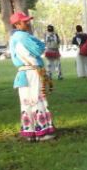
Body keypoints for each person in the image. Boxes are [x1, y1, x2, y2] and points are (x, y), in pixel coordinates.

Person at [9, 11, 56, 142]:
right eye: (25, 21)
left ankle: (30, 133)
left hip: (23, 73)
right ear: (17, 24)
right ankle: (43, 133)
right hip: (32, 72)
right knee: (37, 99)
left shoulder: (13, 38)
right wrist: (38, 42)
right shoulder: (23, 37)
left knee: (26, 102)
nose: (28, 23)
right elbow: (39, 49)